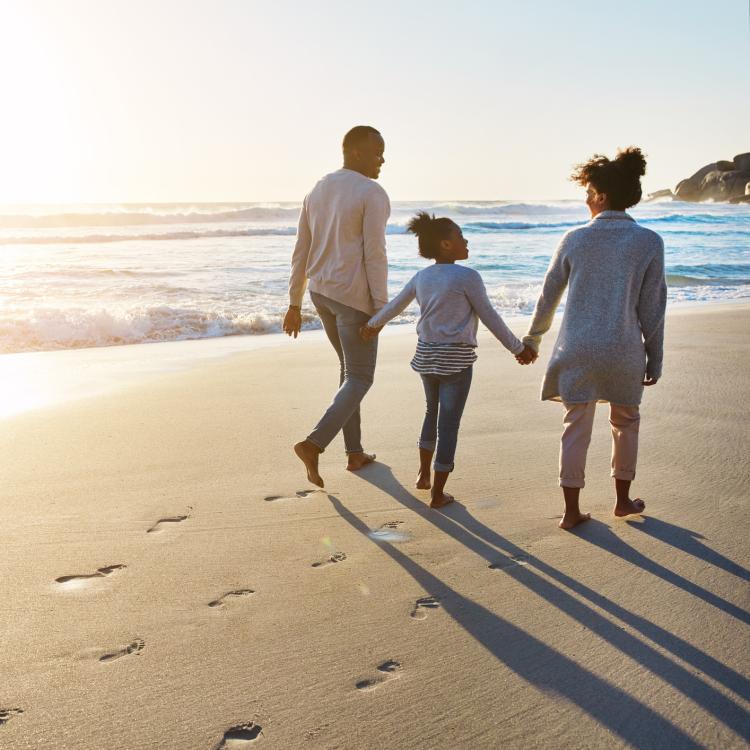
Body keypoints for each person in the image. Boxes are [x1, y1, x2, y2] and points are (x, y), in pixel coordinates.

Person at [517, 147, 667, 530]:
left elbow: (548, 295)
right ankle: (621, 501)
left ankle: (571, 511)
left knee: (576, 425)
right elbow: (653, 308)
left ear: (601, 195)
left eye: (588, 192)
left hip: (577, 349)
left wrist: (533, 338)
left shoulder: (573, 239)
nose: (585, 199)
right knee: (626, 421)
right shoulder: (648, 241)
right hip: (623, 349)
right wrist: (656, 357)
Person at [361, 212, 524, 508]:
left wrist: (372, 326)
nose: (466, 240)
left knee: (430, 413)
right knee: (449, 425)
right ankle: (437, 493)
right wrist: (517, 348)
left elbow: (395, 305)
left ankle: (423, 475)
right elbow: (490, 317)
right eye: (461, 237)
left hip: (426, 356)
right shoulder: (468, 277)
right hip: (456, 360)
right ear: (446, 245)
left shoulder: (422, 276)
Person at [284, 126, 389, 488]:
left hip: (321, 294)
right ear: (358, 152)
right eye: (378, 152)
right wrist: (381, 310)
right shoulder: (371, 193)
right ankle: (314, 444)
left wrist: (294, 303)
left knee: (349, 371)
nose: (383, 160)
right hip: (353, 298)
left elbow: (301, 249)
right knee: (361, 377)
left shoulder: (318, 188)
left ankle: (355, 452)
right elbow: (374, 254)